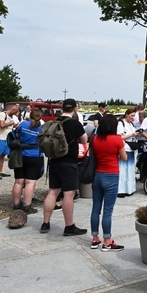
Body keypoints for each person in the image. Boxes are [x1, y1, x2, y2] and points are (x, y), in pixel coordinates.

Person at [40, 98, 88, 236]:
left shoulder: (54, 122)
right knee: (68, 194)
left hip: (54, 161)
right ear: (74, 108)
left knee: (52, 192)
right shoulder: (75, 124)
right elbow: (84, 140)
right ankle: (69, 226)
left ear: (62, 107)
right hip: (69, 162)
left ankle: (45, 223)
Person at [89, 114, 127, 251]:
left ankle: (94, 238)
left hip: (97, 174)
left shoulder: (94, 139)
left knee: (96, 208)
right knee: (108, 210)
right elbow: (124, 157)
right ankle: (107, 241)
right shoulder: (117, 140)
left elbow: (92, 155)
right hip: (111, 175)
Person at [12, 109, 45, 214]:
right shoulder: (42, 128)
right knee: (30, 182)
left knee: (18, 181)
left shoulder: (23, 124)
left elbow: (17, 135)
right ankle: (27, 205)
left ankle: (16, 204)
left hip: (21, 154)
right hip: (35, 155)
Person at [0, 104, 19, 179]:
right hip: (1, 138)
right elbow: (1, 125)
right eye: (15, 112)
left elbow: (9, 127)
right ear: (12, 109)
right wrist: (11, 123)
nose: (15, 114)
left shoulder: (10, 117)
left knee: (2, 155)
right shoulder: (2, 114)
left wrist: (15, 126)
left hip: (7, 139)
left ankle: (0, 170)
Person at [116, 108, 139, 197]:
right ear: (126, 115)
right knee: (123, 169)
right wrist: (132, 134)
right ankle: (121, 190)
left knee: (130, 169)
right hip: (124, 148)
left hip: (131, 148)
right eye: (131, 116)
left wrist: (136, 135)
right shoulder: (121, 123)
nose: (133, 118)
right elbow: (120, 137)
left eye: (134, 116)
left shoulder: (131, 124)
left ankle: (129, 189)